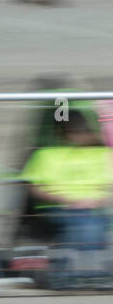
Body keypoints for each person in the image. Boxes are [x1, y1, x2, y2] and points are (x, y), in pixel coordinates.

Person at [20, 113, 112, 266]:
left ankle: (74, 269)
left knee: (89, 223)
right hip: (59, 207)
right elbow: (34, 188)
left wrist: (98, 201)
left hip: (95, 208)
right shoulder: (45, 154)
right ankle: (80, 270)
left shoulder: (103, 154)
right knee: (87, 224)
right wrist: (64, 200)